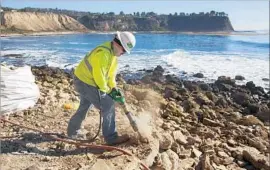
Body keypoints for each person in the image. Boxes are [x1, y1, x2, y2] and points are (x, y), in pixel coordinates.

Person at [67, 31, 136, 145]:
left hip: (85, 80)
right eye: (124, 50)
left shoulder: (112, 55)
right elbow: (99, 77)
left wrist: (113, 88)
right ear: (118, 44)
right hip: (84, 81)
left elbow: (110, 76)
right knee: (108, 104)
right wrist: (108, 92)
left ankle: (72, 131)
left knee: (85, 105)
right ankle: (111, 138)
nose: (123, 53)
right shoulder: (103, 53)